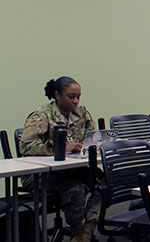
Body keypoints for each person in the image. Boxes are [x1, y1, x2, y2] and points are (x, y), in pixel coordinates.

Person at [20, 76, 99, 242]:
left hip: (72, 168)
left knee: (103, 182)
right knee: (76, 189)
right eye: (71, 97)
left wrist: (94, 145)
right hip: (42, 176)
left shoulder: (82, 113)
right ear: (57, 95)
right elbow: (26, 148)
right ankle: (77, 231)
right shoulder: (41, 116)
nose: (76, 101)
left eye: (78, 97)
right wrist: (59, 149)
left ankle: (87, 231)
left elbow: (92, 138)